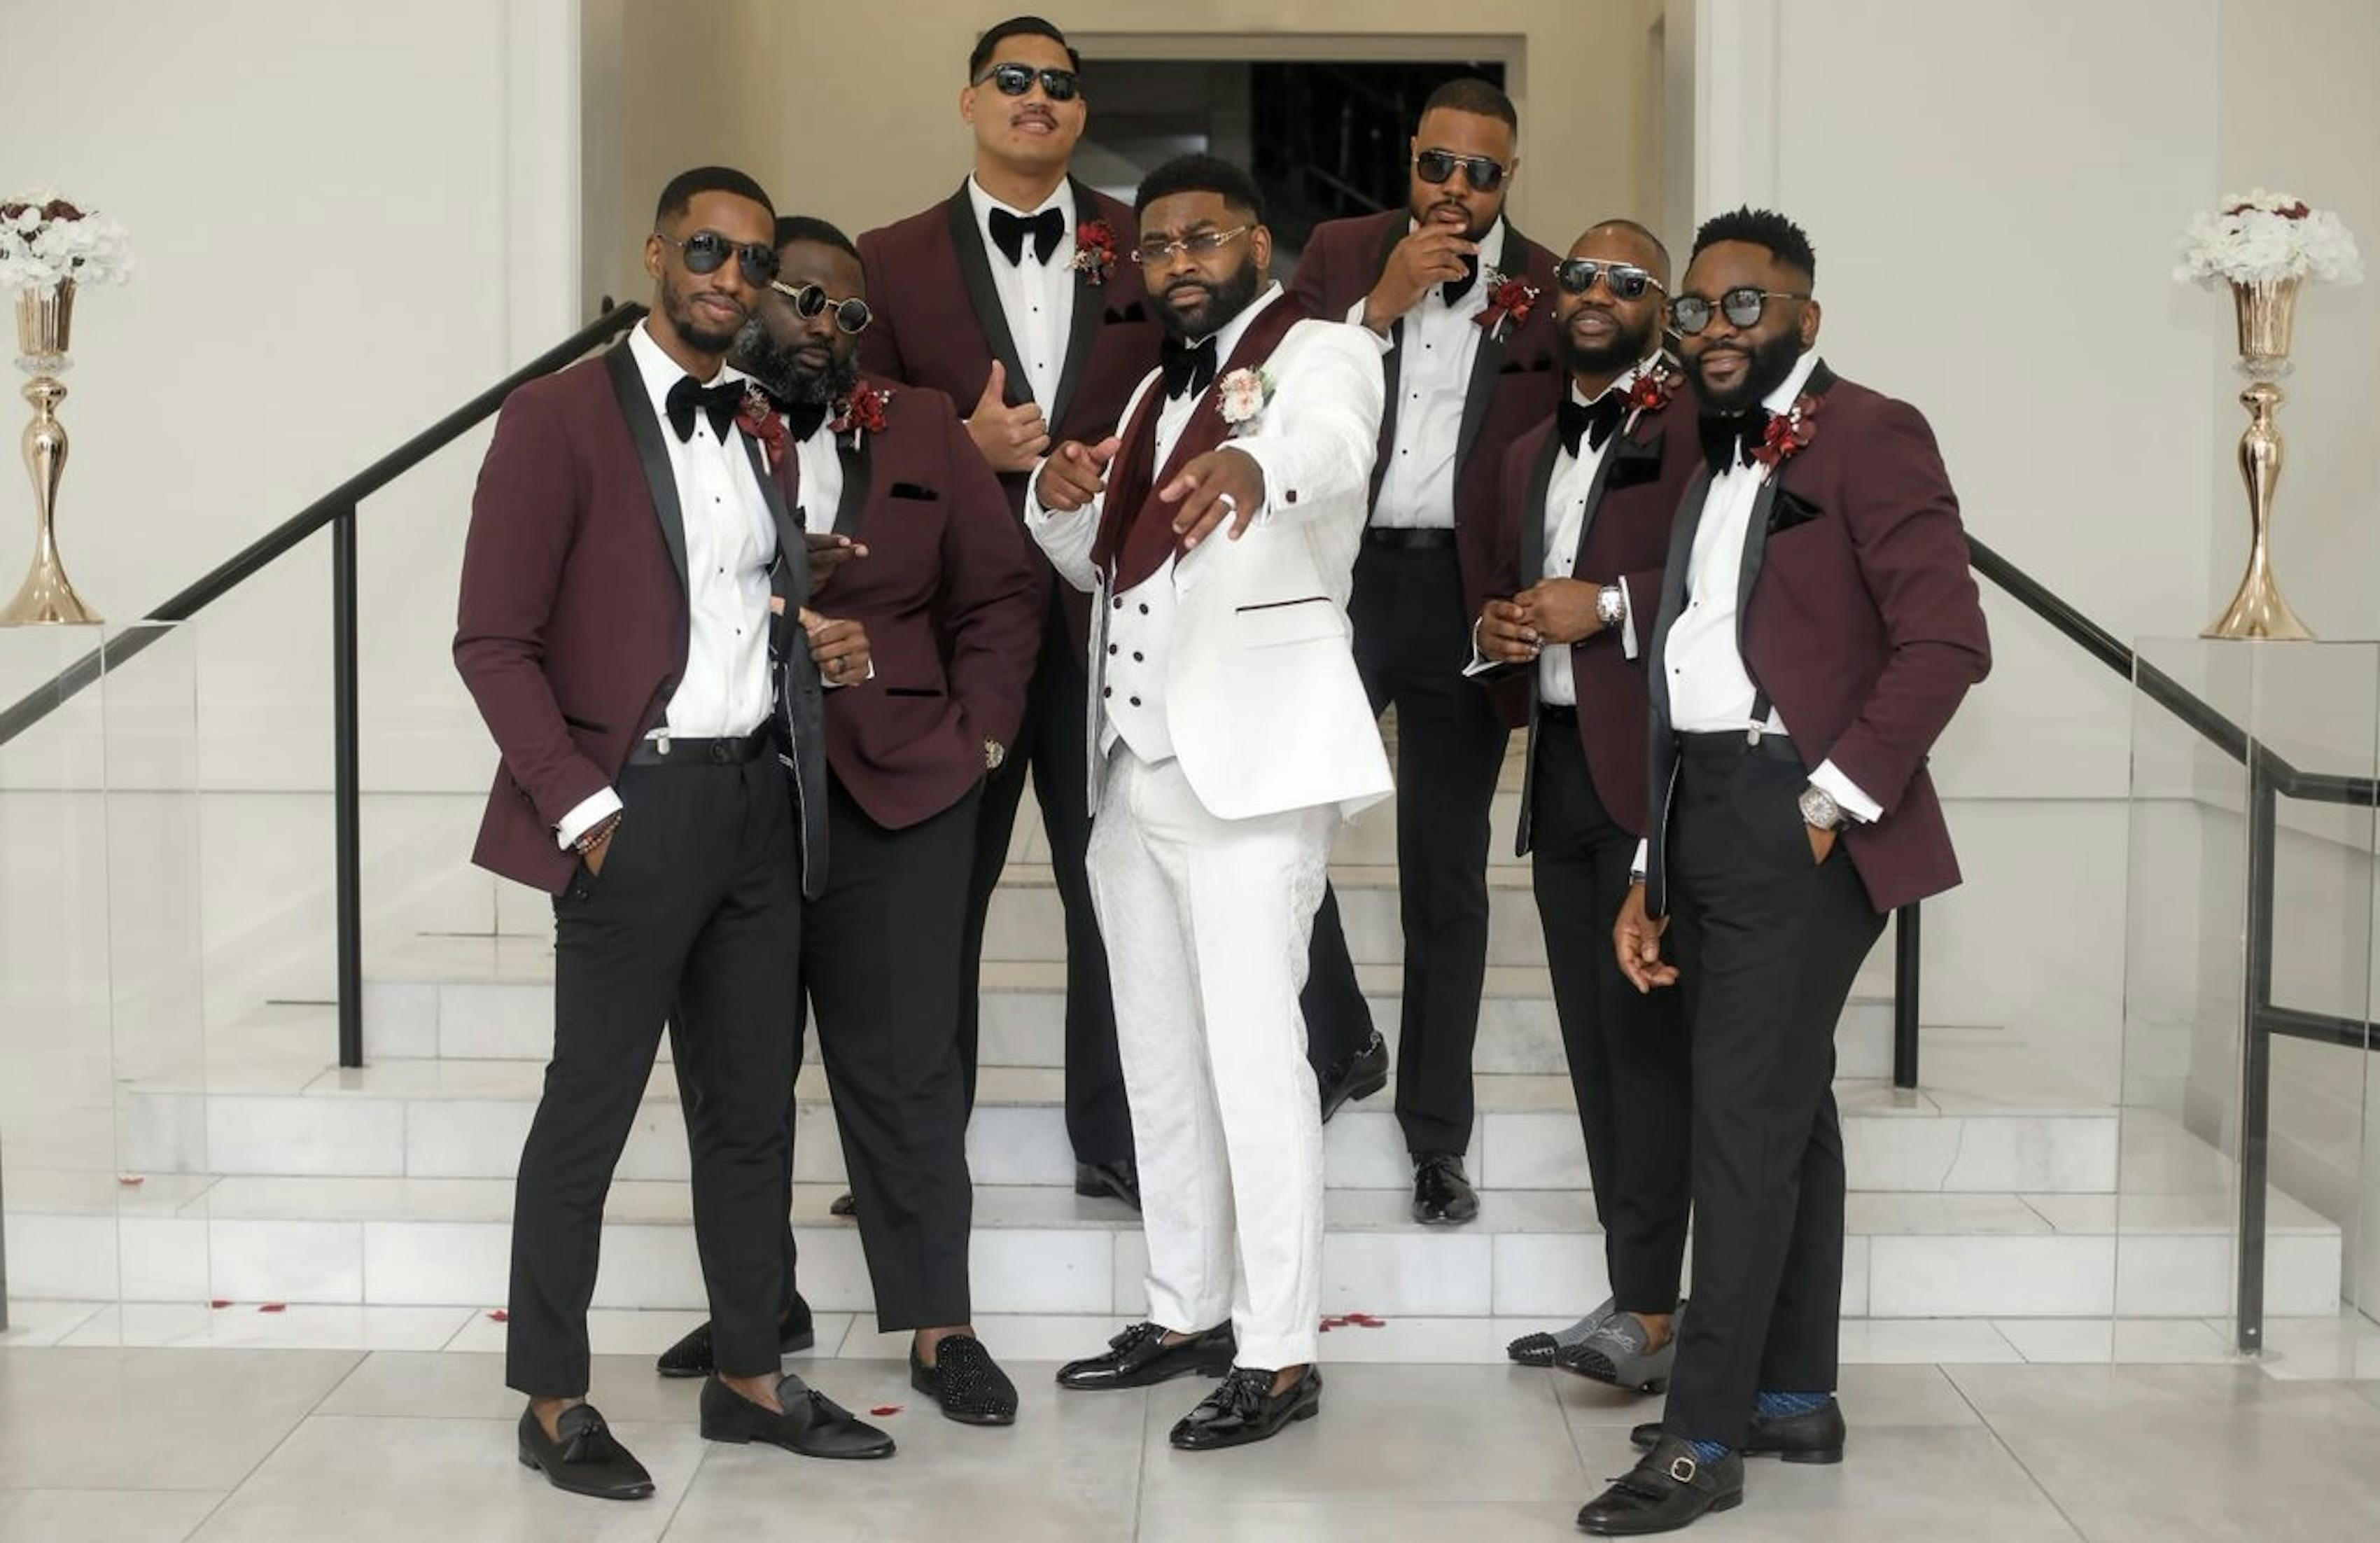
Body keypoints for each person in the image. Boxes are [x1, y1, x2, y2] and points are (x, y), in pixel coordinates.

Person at [455, 167, 893, 1501]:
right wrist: (583, 809)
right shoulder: (556, 418)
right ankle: (552, 1398)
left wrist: (802, 646)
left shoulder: (763, 427)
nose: (729, 273)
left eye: (752, 258)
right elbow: (492, 641)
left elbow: (724, 603)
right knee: (586, 1114)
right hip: (627, 808)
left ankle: (751, 1380)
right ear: (657, 253)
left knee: (753, 1112)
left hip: (758, 805)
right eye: (707, 246)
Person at [1578, 208, 1990, 1535]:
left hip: (1796, 817)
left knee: (1736, 1129)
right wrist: (1650, 858)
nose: (1711, 330)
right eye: (1694, 309)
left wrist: (1832, 799)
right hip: (1700, 808)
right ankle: (1790, 1395)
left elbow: (1946, 639)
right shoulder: (1710, 452)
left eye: (1743, 308)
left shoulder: (1873, 432)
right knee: (1785, 1112)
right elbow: (1689, 653)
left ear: (1805, 319)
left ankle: (1701, 1442)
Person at [650, 217, 1043, 1425]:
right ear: (752, 294)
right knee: (737, 1072)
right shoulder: (689, 427)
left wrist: (978, 738)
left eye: (847, 312)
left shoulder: (922, 426)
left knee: (908, 1068)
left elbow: (1003, 590)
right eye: (800, 297)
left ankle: (939, 1326)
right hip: (732, 792)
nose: (821, 323)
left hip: (901, 790)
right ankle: (758, 1308)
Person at [1030, 154, 1388, 1451]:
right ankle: (1187, 1311)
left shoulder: (1326, 352)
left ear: (1257, 240)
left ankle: (1282, 1352)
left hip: (1251, 772)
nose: (1179, 259)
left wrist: (1256, 472)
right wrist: (1053, 496)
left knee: (1255, 1063)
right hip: (1132, 772)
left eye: (1204, 237)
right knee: (1160, 1064)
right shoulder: (1143, 391)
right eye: (1159, 245)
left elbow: (1329, 453)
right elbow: (1101, 564)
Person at [854, 15, 1163, 1208]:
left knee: (1113, 891)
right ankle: (918, 1144)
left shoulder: (1143, 245)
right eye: (1015, 79)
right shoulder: (888, 257)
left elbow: (1199, 386)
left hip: (1106, 626)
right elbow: (843, 411)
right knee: (935, 900)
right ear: (971, 101)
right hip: (948, 631)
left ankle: (1119, 1139)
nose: (1039, 97)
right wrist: (958, 440)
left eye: (1061, 84)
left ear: (1081, 113)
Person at [1286, 76, 1564, 1224]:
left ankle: (1437, 1138)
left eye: (1482, 172)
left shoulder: (1551, 290)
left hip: (1465, 597)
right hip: (1335, 581)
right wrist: (1381, 306)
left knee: (1443, 876)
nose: (1456, 190)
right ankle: (1342, 1035)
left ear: (1511, 176)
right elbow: (1282, 390)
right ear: (1410, 160)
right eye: (1437, 166)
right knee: (1285, 831)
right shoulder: (1340, 251)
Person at [1472, 220, 1699, 1394]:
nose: (1598, 293)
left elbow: (1740, 581)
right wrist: (1496, 631)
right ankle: (1636, 1289)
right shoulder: (1521, 454)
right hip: (1556, 767)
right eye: (1581, 276)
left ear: (1659, 304)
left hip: (1658, 776)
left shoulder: (1702, 425)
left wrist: (1609, 603)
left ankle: (1657, 1313)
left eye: (1627, 280)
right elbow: (1508, 602)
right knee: (1595, 1053)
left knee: (1647, 1047)